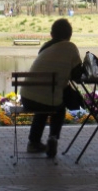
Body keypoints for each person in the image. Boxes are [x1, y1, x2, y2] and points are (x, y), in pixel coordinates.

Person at [19, 18, 82, 158]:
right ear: (70, 35)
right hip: (49, 99)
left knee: (46, 101)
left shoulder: (45, 47)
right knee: (57, 105)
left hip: (27, 97)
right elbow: (77, 76)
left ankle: (34, 142)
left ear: (51, 34)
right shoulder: (71, 47)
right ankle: (53, 137)